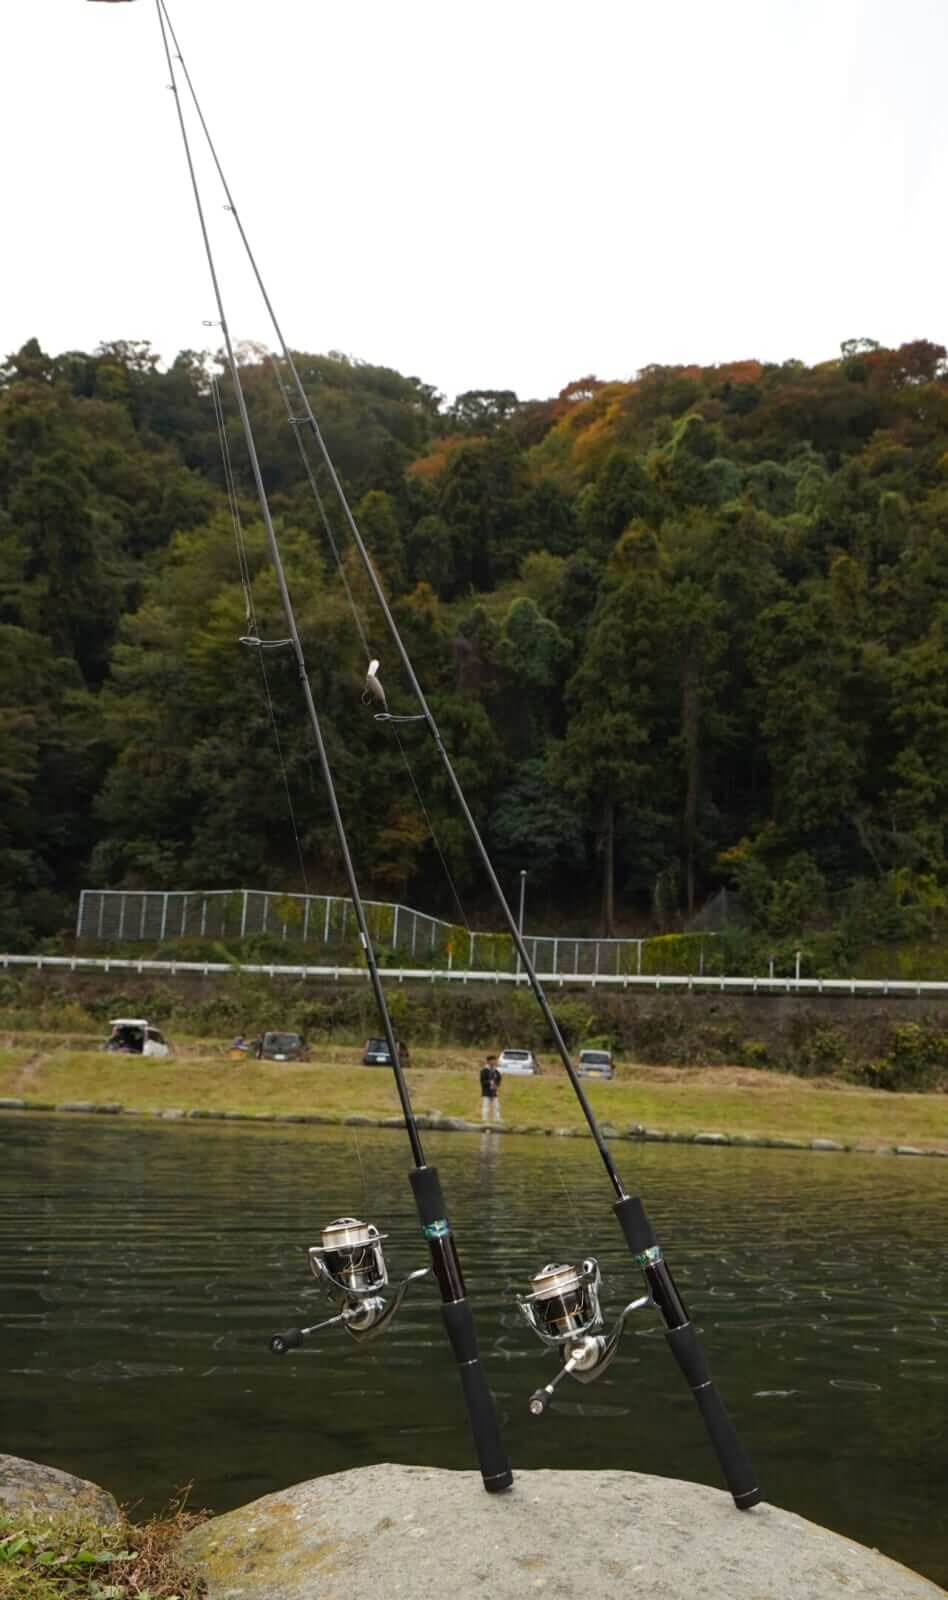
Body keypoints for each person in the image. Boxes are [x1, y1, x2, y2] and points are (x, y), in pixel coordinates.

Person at [479, 1054, 502, 1123]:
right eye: (492, 1061)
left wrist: (496, 1085)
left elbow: (499, 1079)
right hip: (486, 1091)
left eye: (495, 1061)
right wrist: (489, 1082)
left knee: (496, 1107)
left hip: (494, 1092)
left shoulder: (496, 1071)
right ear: (488, 1061)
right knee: (486, 1107)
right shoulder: (484, 1070)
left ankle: (497, 1120)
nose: (494, 1062)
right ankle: (484, 1120)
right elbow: (482, 1081)